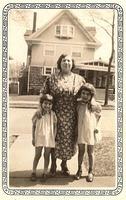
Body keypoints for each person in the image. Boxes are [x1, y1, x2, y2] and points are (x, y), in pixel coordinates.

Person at [40, 54, 85, 176]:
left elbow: (87, 95)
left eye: (69, 61)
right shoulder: (52, 78)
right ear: (60, 63)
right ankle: (53, 164)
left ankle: (64, 164)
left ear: (72, 64)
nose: (66, 62)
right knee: (54, 139)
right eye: (64, 60)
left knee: (68, 140)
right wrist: (41, 110)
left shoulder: (79, 79)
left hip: (71, 115)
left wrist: (92, 105)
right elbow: (43, 94)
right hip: (54, 114)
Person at [74, 83, 102, 182]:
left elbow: (99, 116)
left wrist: (96, 127)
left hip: (91, 131)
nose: (85, 96)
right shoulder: (78, 104)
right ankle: (79, 169)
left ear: (91, 95)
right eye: (83, 93)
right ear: (81, 94)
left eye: (87, 94)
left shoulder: (95, 105)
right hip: (81, 130)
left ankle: (90, 171)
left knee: (90, 152)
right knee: (81, 151)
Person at [31, 94, 57, 181]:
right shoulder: (37, 113)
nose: (47, 106)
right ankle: (33, 171)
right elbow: (33, 126)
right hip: (39, 137)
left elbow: (55, 126)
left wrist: (54, 137)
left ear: (52, 105)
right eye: (45, 103)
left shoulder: (53, 114)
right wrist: (33, 138)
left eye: (49, 104)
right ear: (41, 103)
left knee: (46, 155)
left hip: (49, 138)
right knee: (37, 155)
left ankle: (45, 172)